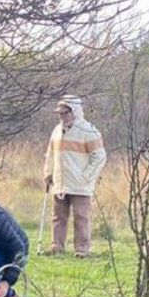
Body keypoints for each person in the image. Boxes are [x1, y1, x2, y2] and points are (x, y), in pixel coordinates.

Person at [43, 94, 107, 257]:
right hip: (60, 182)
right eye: (60, 113)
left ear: (75, 112)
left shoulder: (88, 131)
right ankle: (57, 246)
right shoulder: (57, 131)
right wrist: (48, 172)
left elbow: (100, 157)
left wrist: (85, 176)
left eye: (65, 113)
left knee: (81, 217)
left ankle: (82, 249)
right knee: (58, 216)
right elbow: (50, 154)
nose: (62, 116)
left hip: (80, 184)